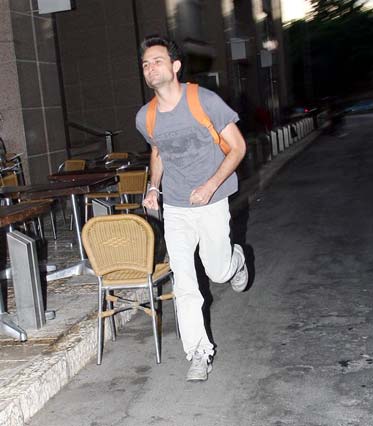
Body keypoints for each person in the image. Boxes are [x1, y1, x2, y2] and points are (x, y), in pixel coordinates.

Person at [135, 35, 248, 382]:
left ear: (175, 66)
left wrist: (210, 185)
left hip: (212, 202)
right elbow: (158, 152)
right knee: (184, 283)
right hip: (177, 208)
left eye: (157, 61)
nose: (150, 68)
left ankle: (236, 259)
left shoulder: (204, 100)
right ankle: (199, 353)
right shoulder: (145, 116)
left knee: (217, 272)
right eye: (145, 64)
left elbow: (238, 147)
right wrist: (153, 187)